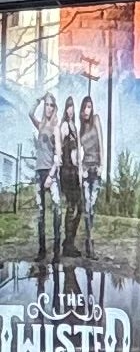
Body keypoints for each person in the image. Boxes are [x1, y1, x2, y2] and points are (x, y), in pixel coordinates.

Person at [28, 93, 58, 260]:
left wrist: (51, 175)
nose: (49, 108)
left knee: (56, 209)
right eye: (47, 104)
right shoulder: (40, 126)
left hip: (50, 174)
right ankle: (42, 250)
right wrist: (39, 99)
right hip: (39, 172)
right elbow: (30, 113)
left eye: (51, 105)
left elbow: (58, 155)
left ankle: (56, 251)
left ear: (54, 108)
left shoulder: (55, 127)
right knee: (40, 213)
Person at [77, 96, 103, 258]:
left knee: (92, 207)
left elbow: (101, 142)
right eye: (85, 107)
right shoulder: (80, 129)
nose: (87, 110)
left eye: (89, 107)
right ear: (81, 110)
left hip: (96, 169)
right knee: (87, 208)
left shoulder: (96, 120)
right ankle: (89, 242)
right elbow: (78, 152)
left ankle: (89, 239)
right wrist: (81, 171)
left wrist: (102, 165)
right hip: (86, 170)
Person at [57, 97, 82, 258]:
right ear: (65, 109)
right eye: (68, 107)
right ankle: (68, 245)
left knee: (79, 206)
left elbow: (77, 153)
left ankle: (69, 241)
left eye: (72, 107)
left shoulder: (75, 127)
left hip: (75, 171)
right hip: (67, 171)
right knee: (72, 206)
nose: (70, 110)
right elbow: (59, 146)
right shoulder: (65, 126)